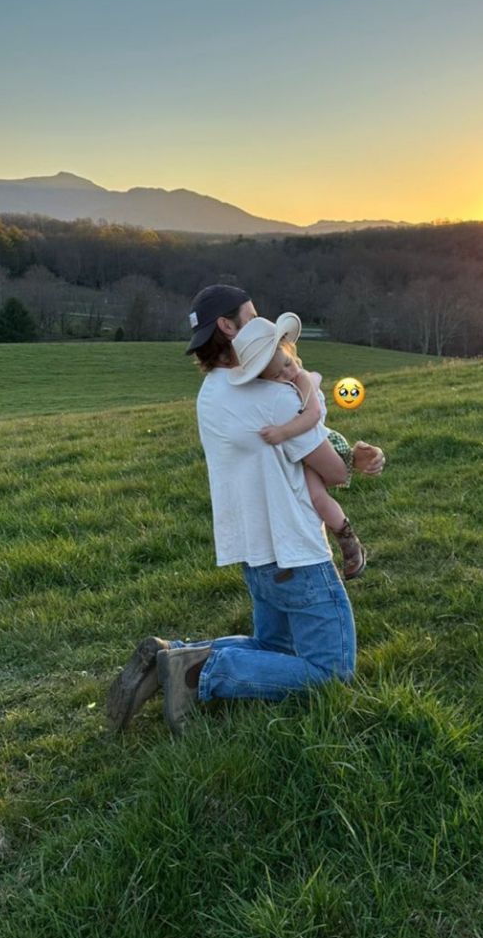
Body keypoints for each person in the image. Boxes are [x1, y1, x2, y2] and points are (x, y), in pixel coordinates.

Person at [106, 284, 385, 735]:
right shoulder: (272, 397)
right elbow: (333, 472)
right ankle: (200, 673)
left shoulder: (210, 395)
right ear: (227, 327)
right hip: (296, 553)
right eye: (252, 317)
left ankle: (172, 654)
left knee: (271, 647)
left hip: (256, 555)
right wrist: (352, 454)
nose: (261, 326)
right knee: (332, 672)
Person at [231, 315, 367, 580]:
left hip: (328, 443)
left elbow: (313, 414)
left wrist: (283, 432)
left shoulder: (302, 379)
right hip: (307, 453)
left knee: (316, 498)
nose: (287, 373)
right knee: (302, 498)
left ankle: (349, 542)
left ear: (292, 353)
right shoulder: (278, 390)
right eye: (277, 375)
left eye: (288, 364)